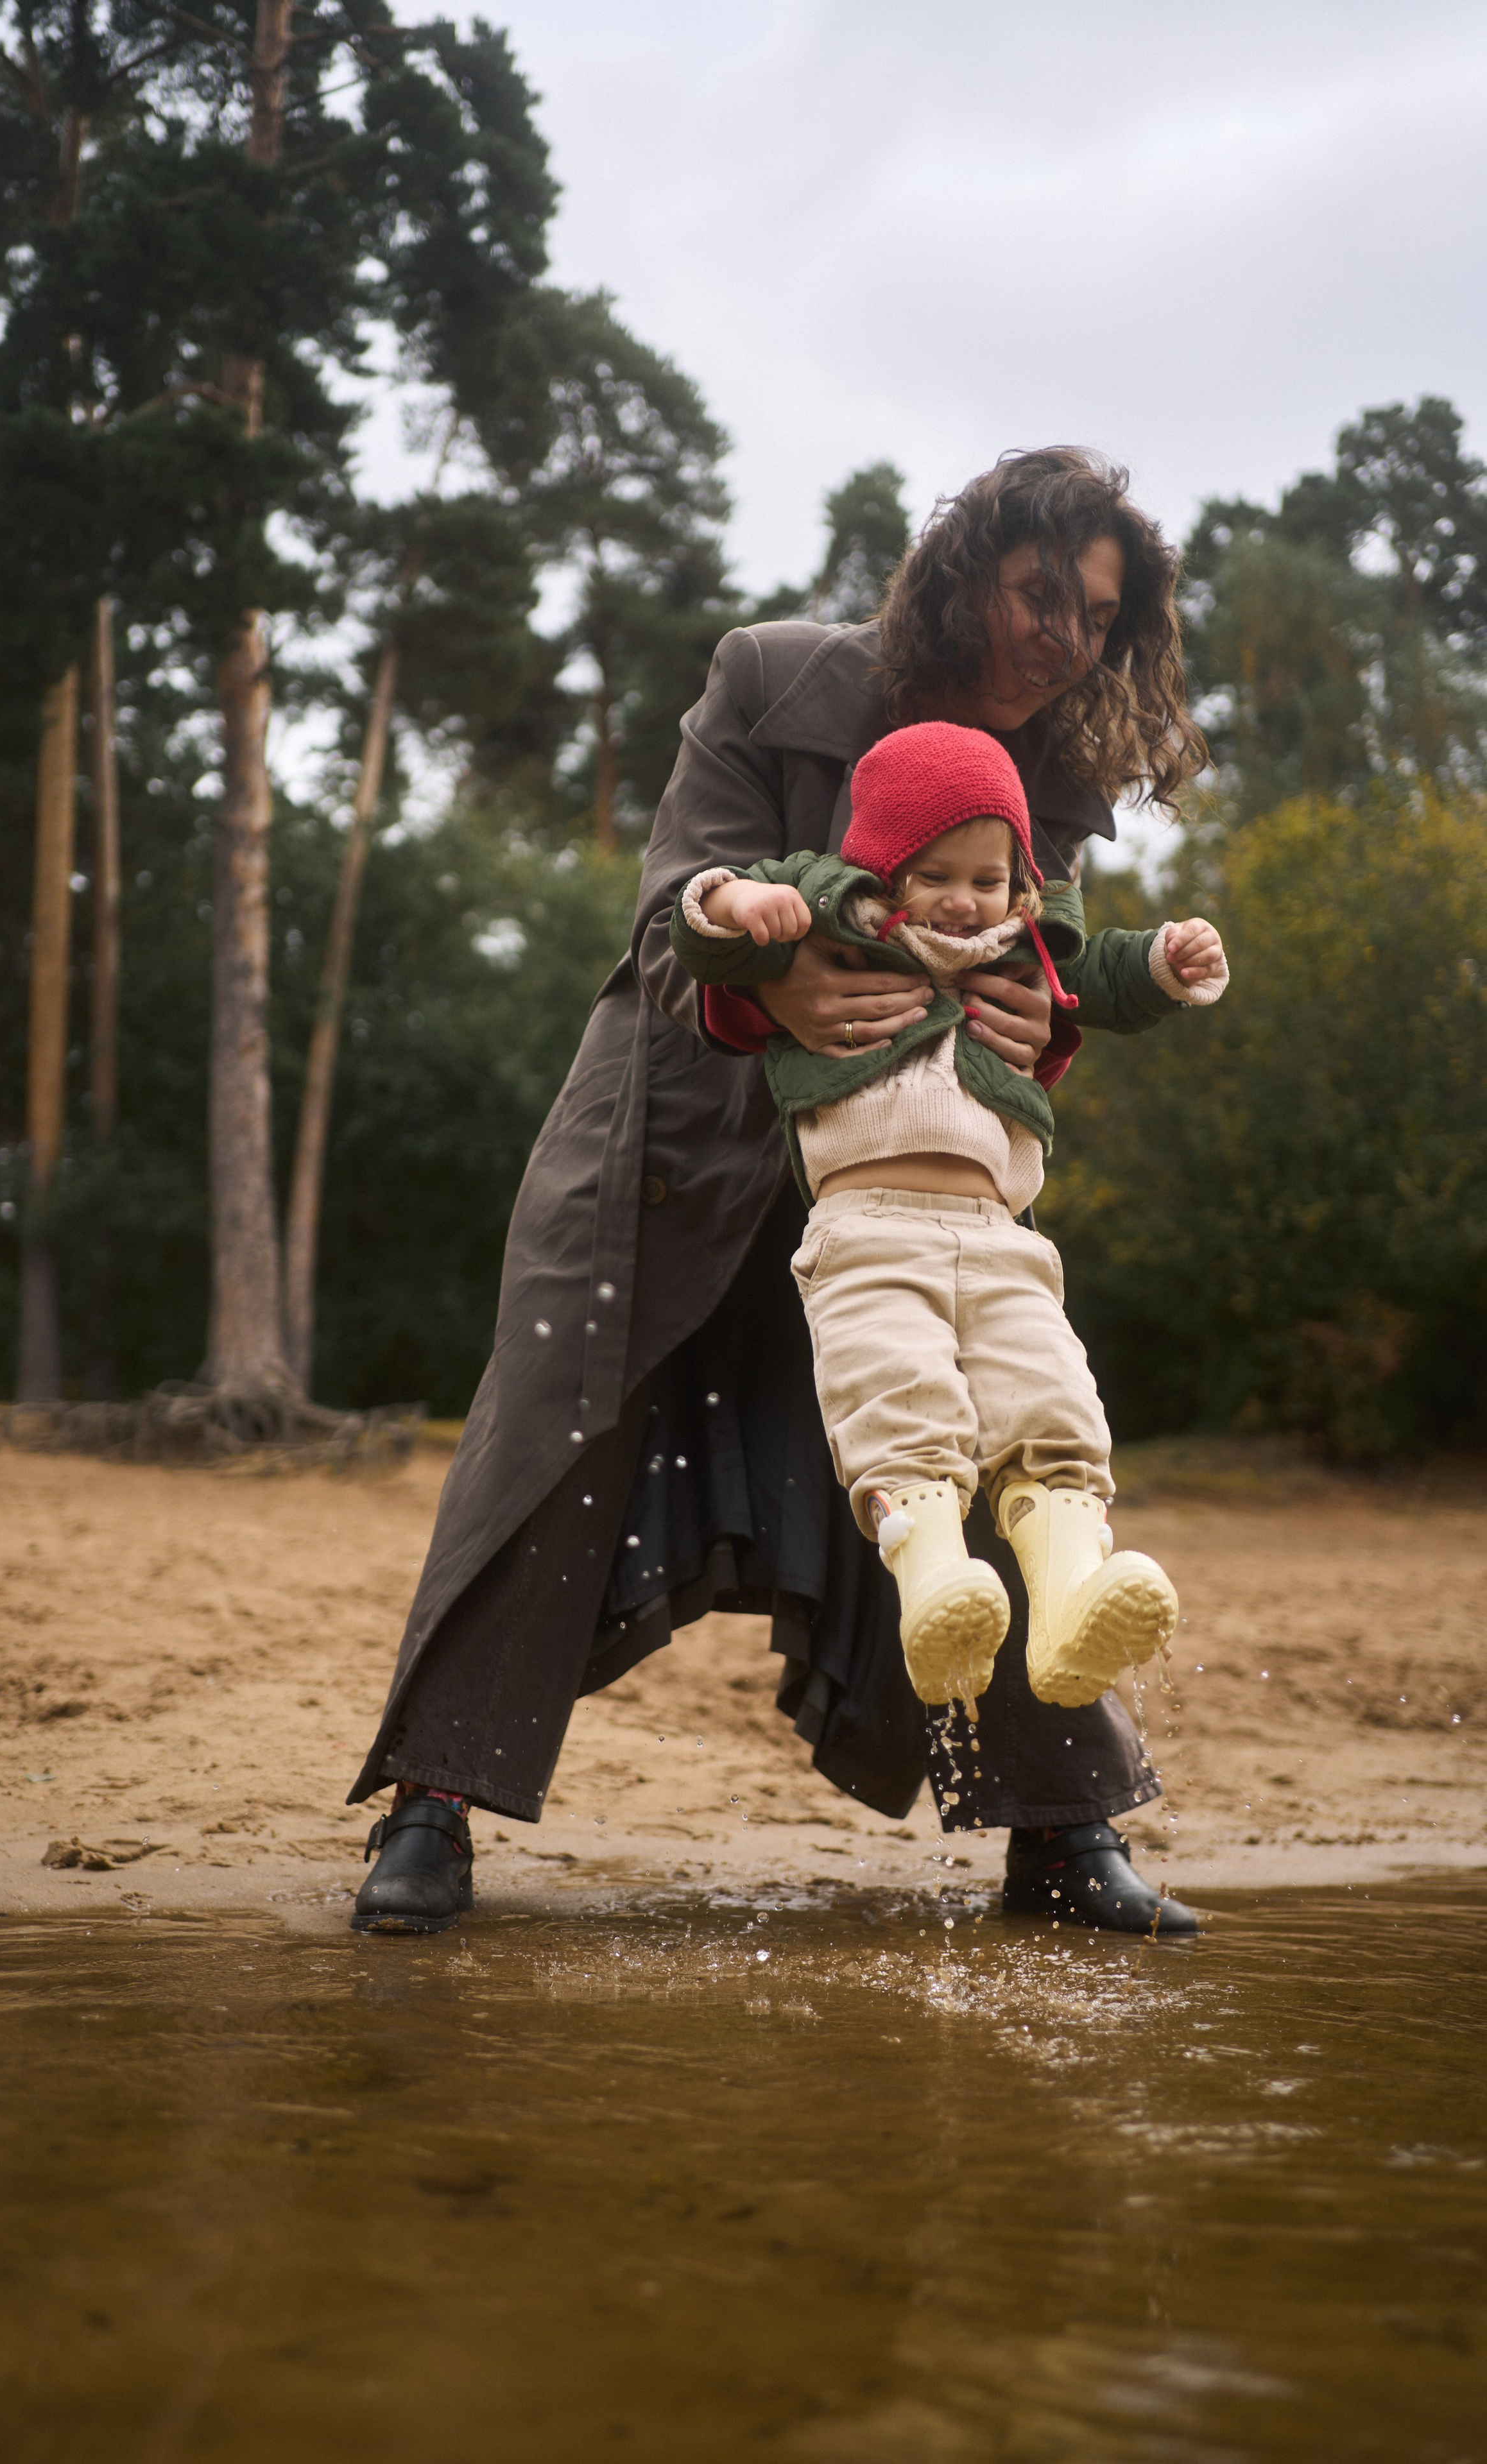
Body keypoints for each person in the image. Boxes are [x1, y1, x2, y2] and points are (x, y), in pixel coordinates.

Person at [348, 445, 1211, 1938]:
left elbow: (1036, 978)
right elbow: (668, 912)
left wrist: (1041, 1023)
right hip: (665, 1138)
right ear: (962, 575)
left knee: (986, 1424)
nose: (1061, 637)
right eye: (1034, 594)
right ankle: (431, 1811)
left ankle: (1063, 1838)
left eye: (1090, 613)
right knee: (548, 1425)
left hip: (900, 1178)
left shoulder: (1051, 783)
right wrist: (780, 963)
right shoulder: (767, 676)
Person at [671, 717, 1226, 1720]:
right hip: (869, 1233)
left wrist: (1166, 963)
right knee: (900, 1405)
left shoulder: (1030, 951)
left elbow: (1103, 980)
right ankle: (935, 1591)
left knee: (1053, 1409)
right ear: (885, 870)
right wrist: (735, 897)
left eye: (989, 878)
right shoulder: (828, 925)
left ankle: (1065, 1612)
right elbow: (704, 940)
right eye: (938, 876)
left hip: (1003, 1240)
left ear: (1019, 881)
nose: (967, 902)